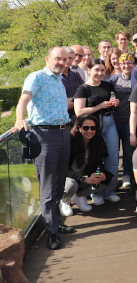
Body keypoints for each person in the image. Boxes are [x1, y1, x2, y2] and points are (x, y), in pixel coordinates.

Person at [14, 47, 74, 250]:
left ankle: (55, 223)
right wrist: (19, 119)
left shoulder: (59, 80)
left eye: (65, 59)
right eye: (58, 59)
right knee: (48, 185)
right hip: (45, 135)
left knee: (58, 182)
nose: (61, 62)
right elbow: (24, 99)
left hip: (63, 133)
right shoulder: (36, 76)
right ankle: (51, 232)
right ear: (48, 58)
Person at [73, 58, 121, 205]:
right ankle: (95, 191)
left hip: (110, 122)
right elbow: (79, 111)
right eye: (96, 70)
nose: (100, 73)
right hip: (92, 127)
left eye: (102, 70)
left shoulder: (107, 85)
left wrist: (115, 103)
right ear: (89, 70)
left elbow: (112, 101)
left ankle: (109, 191)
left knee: (112, 159)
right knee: (95, 160)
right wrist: (99, 106)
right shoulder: (83, 88)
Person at [59, 115, 113, 216]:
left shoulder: (98, 141)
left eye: (93, 128)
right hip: (68, 178)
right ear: (79, 128)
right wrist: (83, 179)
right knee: (71, 185)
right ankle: (64, 200)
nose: (89, 131)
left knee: (109, 178)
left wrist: (100, 174)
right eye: (85, 128)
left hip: (85, 176)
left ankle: (79, 197)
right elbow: (63, 170)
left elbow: (98, 164)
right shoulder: (71, 141)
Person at [109, 52, 135, 190]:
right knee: (113, 151)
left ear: (134, 65)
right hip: (115, 119)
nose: (126, 65)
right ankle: (112, 180)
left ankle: (127, 176)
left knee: (128, 151)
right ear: (119, 64)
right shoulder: (113, 80)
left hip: (130, 120)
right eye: (124, 63)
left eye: (130, 63)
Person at [60, 47, 84, 122]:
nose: (68, 60)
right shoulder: (54, 76)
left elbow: (83, 93)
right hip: (60, 117)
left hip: (76, 116)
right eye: (66, 58)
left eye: (71, 58)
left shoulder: (75, 74)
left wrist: (73, 100)